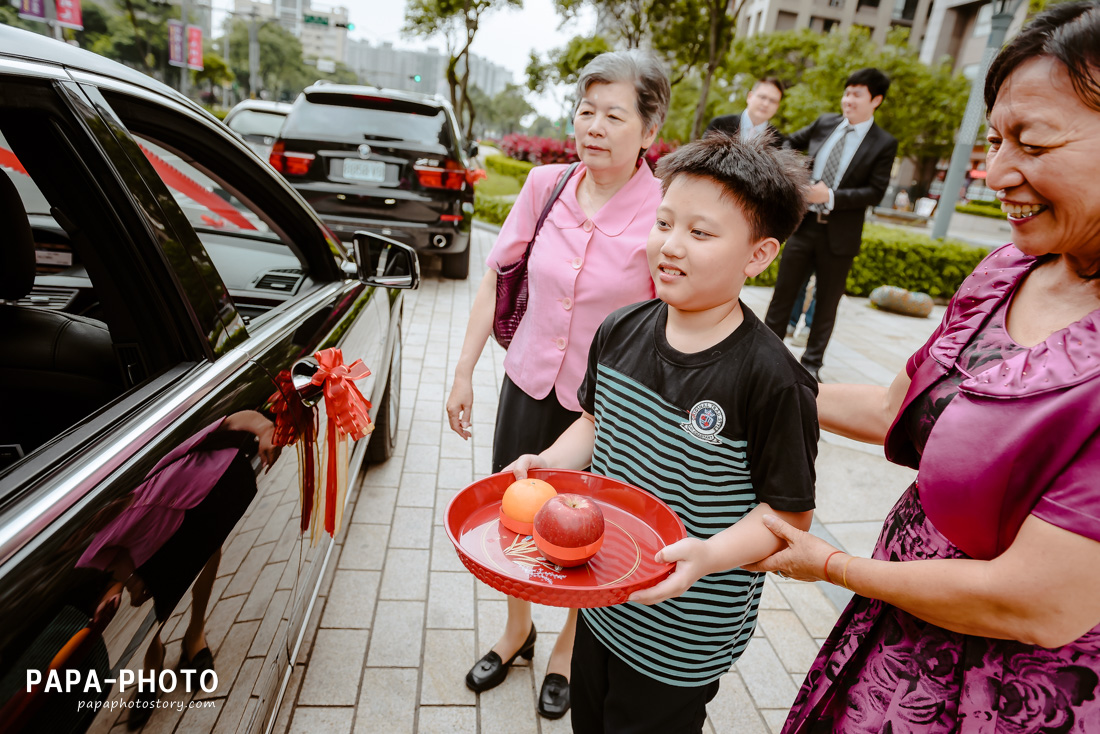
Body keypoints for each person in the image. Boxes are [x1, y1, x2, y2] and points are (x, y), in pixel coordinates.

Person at [745, 4, 1100, 730]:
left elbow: (1033, 602)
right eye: (996, 139)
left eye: (1029, 143)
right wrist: (745, 379)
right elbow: (890, 411)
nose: (995, 171)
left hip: (1010, 688)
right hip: (897, 624)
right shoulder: (1008, 268)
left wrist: (831, 566)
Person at [507, 133, 818, 734]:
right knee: (590, 719)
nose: (670, 246)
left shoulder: (773, 378)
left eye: (700, 234)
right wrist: (545, 462)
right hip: (605, 598)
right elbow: (596, 423)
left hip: (685, 629)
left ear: (759, 255)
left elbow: (788, 518)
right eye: (664, 223)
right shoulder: (620, 329)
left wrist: (709, 556)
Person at [445, 50, 671, 719]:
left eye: (613, 115)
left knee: (585, 534)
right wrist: (462, 372)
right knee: (515, 514)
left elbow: (668, 320)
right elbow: (495, 276)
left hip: (603, 413)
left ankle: (567, 648)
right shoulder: (544, 186)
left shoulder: (663, 210)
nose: (593, 126)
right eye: (585, 110)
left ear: (649, 131)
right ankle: (517, 632)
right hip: (528, 386)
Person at [763, 69, 898, 382]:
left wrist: (831, 196)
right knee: (783, 294)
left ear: (876, 100)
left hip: (840, 235)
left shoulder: (884, 143)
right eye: (846, 92)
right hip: (804, 225)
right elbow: (786, 144)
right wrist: (794, 179)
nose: (847, 100)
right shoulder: (825, 123)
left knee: (826, 304)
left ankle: (811, 365)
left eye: (856, 94)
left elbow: (875, 191)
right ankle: (767, 355)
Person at [704, 77, 786, 146]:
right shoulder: (719, 125)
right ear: (749, 97)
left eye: (772, 101)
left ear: (777, 106)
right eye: (762, 97)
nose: (766, 104)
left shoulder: (779, 141)